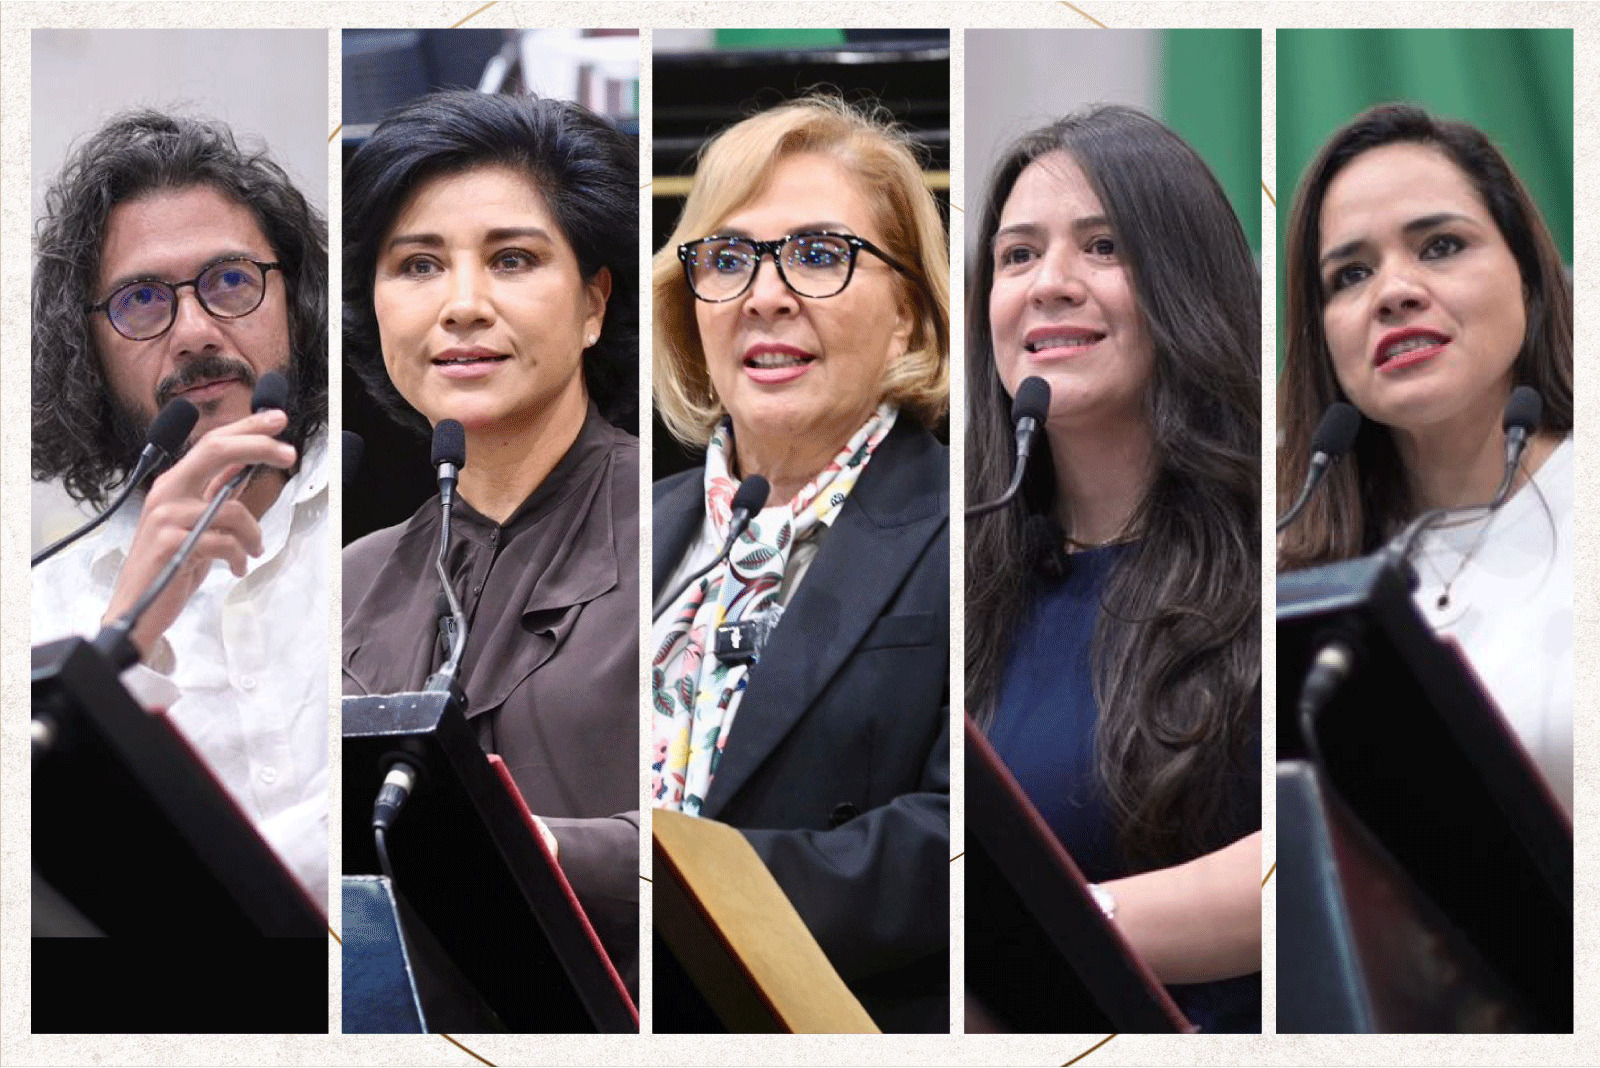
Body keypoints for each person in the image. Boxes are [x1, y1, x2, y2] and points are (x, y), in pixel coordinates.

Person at [650, 96, 950, 1033]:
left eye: (819, 255)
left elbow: (965, 839)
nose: (764, 296)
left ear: (907, 315)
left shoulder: (978, 523)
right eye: (727, 258)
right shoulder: (628, 526)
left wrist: (667, 894)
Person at [965, 106, 1262, 1033]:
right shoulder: (959, 575)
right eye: (1017, 255)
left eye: (1102, 247)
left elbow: (1338, 843)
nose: (1049, 284)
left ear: (1187, 284)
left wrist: (1051, 927)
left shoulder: (1292, 545)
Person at [340, 89, 641, 993]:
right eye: (418, 265)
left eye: (512, 259)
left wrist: (537, 849)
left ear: (593, 303)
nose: (462, 305)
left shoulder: (689, 529)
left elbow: (755, 839)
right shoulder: (347, 582)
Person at [31, 111, 330, 911]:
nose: (195, 333)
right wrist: (121, 644)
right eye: (141, 300)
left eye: (230, 281)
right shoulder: (39, 614)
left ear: (295, 301)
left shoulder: (405, 518)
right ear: (86, 351)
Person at [1278, 103, 1573, 814]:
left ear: (1529, 278)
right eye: (1350, 274)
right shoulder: (1298, 577)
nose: (1393, 293)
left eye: (1440, 246)